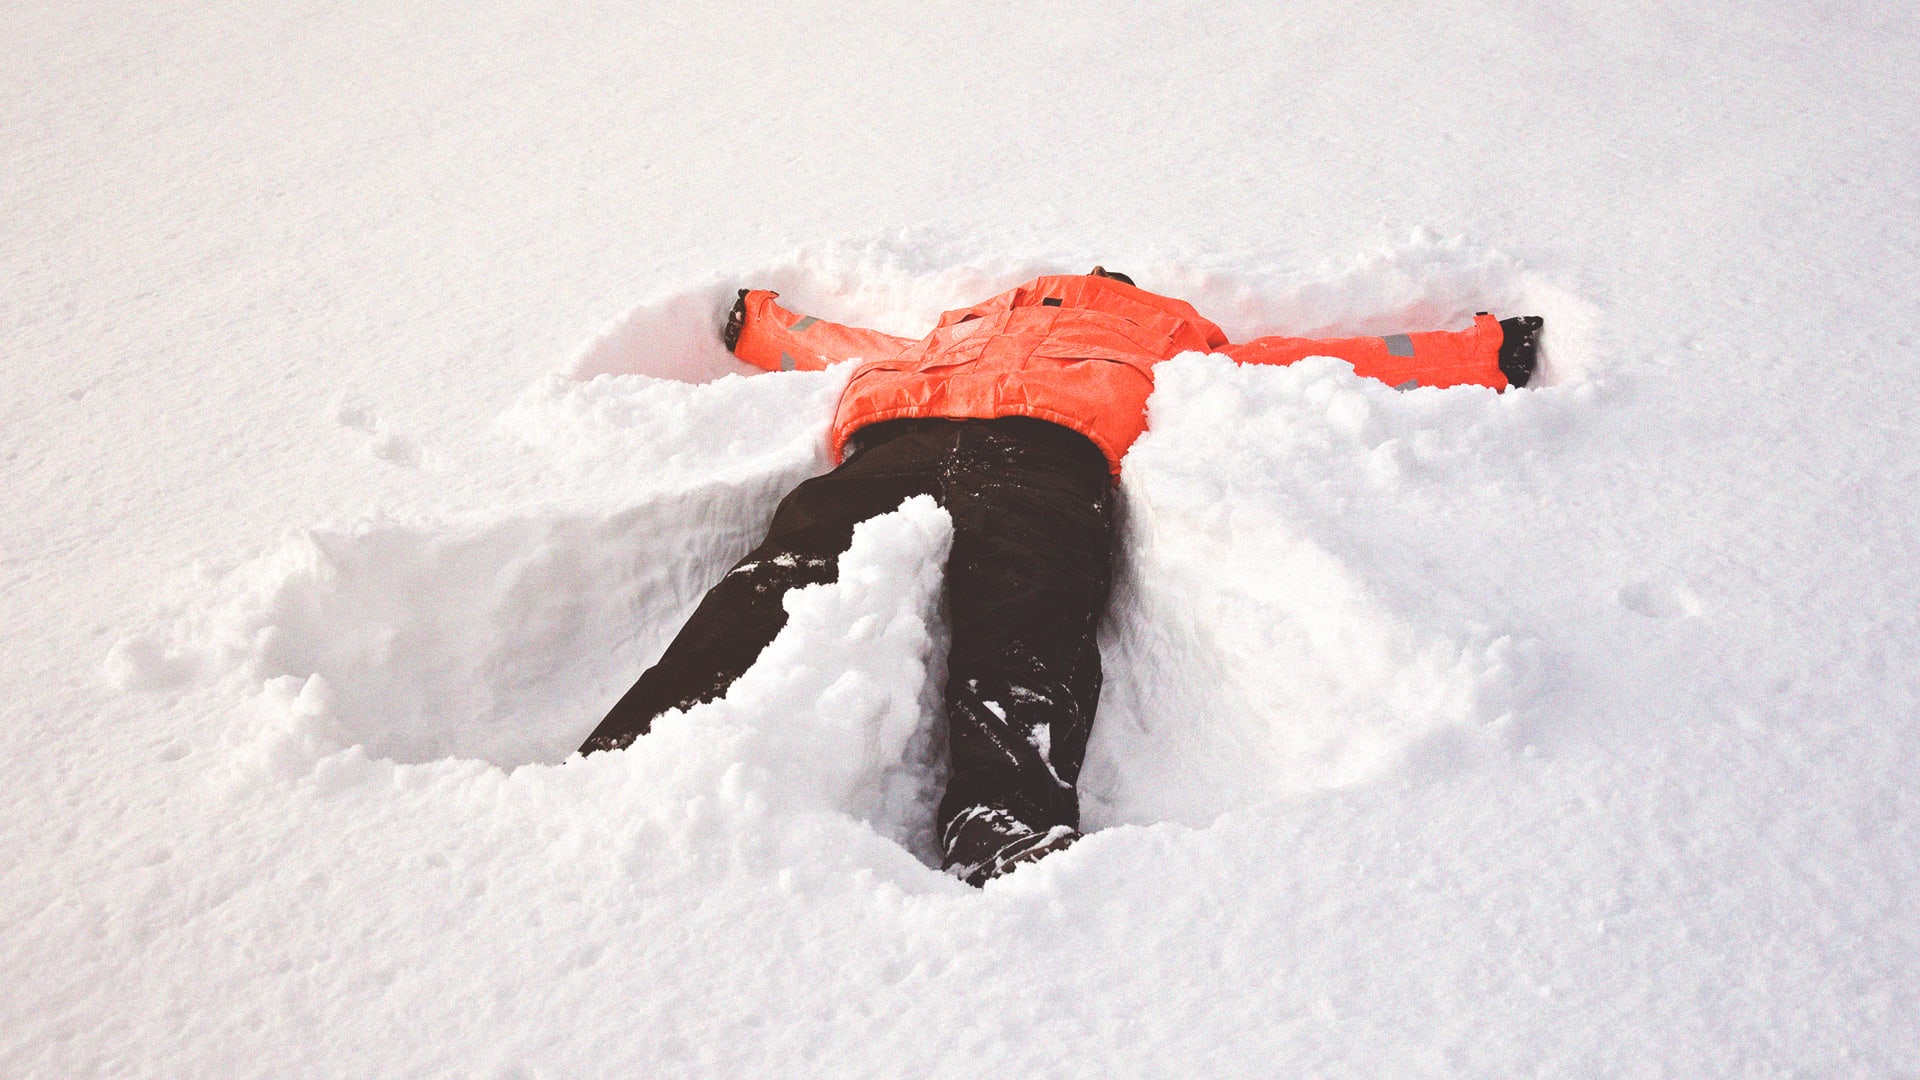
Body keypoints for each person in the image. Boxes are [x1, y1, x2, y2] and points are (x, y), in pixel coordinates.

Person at [579, 267, 1542, 885]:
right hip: (903, 439)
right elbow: (855, 350)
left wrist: (1483, 354)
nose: (1087, 290)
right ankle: (632, 752)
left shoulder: (1170, 331)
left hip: (1048, 452)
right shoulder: (969, 324)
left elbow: (1316, 362)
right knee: (781, 576)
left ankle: (1005, 823)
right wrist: (763, 326)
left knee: (1028, 608)